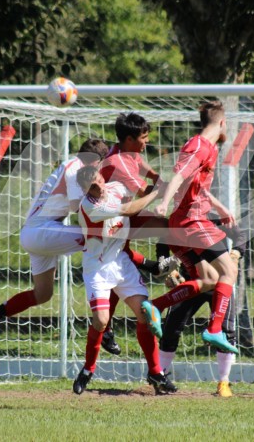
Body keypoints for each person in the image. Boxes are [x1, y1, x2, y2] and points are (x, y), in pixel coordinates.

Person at [0, 138, 109, 349]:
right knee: (100, 237)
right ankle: (106, 329)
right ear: (95, 162)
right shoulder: (75, 169)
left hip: (37, 232)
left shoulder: (72, 165)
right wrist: (96, 193)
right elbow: (75, 207)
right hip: (42, 231)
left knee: (43, 294)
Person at [71, 165, 173, 395]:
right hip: (97, 267)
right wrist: (156, 193)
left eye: (98, 181)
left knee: (144, 314)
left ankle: (156, 373)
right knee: (101, 319)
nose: (98, 187)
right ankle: (87, 370)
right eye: (92, 186)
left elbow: (137, 189)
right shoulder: (89, 206)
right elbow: (128, 209)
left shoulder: (116, 187)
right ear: (84, 189)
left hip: (122, 263)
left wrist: (163, 186)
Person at [154, 100, 239, 354]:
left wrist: (221, 208)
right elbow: (178, 177)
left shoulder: (208, 148)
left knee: (209, 279)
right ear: (222, 123)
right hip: (191, 221)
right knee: (229, 271)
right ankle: (215, 330)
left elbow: (197, 187)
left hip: (187, 223)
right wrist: (164, 204)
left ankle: (156, 305)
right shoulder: (199, 146)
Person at [98, 112, 179, 355]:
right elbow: (144, 192)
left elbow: (148, 171)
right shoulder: (116, 163)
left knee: (164, 225)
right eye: (143, 137)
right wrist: (165, 190)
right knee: (117, 270)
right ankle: (104, 329)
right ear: (130, 138)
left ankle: (163, 264)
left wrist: (159, 178)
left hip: (123, 217)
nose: (147, 142)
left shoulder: (129, 152)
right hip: (106, 223)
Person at [159, 247, 242, 397]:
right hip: (192, 281)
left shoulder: (223, 223)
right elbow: (165, 236)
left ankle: (224, 382)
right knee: (170, 328)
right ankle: (160, 377)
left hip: (221, 283)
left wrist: (236, 252)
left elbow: (242, 230)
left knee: (226, 331)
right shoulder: (183, 223)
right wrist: (168, 270)